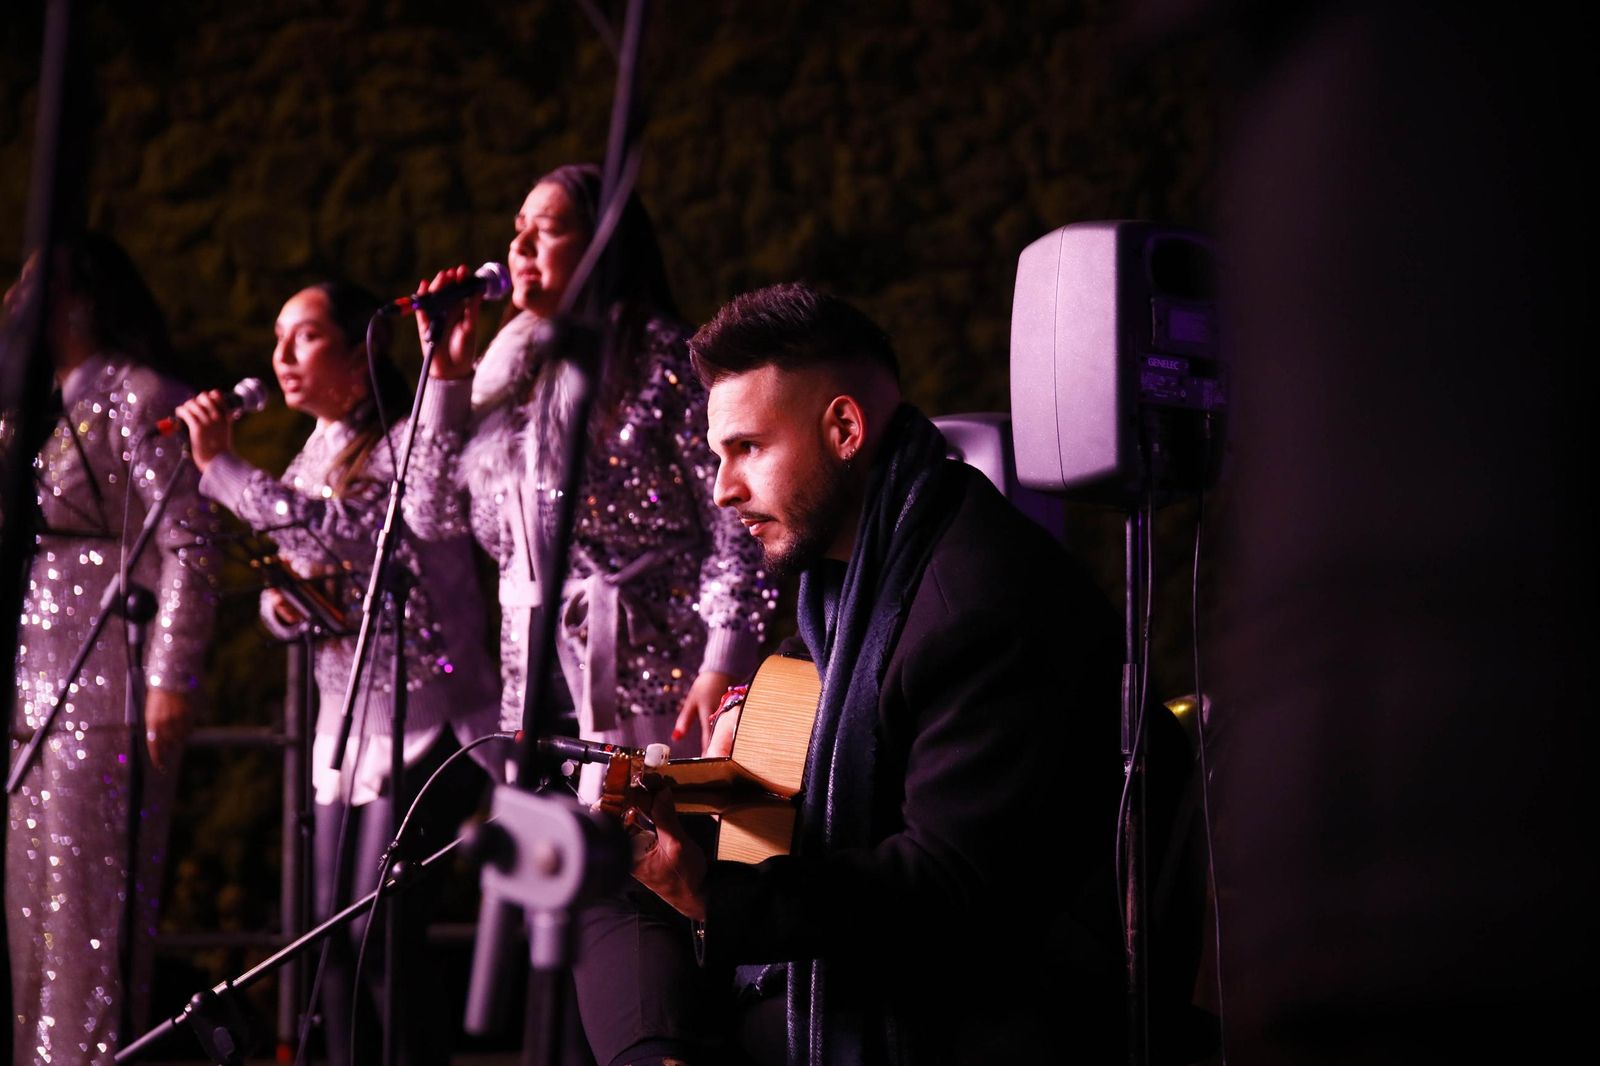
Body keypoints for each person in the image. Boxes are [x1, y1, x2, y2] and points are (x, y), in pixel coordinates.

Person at [629, 282, 1128, 1063]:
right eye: (716, 456)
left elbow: (944, 889)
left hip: (971, 1016)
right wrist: (719, 783)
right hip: (889, 978)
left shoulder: (978, 602)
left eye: (747, 448)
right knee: (606, 893)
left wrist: (710, 895)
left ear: (844, 428)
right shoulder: (856, 577)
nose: (723, 490)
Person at [408, 164, 774, 1064]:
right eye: (516, 227)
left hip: (660, 689)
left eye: (549, 228)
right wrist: (442, 379)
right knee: (568, 952)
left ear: (606, 241)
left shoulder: (665, 361)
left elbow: (736, 520)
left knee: (650, 927)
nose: (520, 245)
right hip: (541, 700)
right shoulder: (507, 366)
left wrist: (722, 653)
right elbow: (431, 519)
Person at [175, 281, 499, 1065]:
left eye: (305, 337)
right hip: (348, 728)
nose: (281, 356)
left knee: (379, 936)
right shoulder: (313, 448)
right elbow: (292, 576)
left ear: (362, 350)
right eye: (278, 338)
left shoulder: (403, 440)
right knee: (335, 941)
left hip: (428, 722)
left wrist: (220, 469)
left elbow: (346, 533)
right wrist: (286, 610)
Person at [3, 232, 220, 1065]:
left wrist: (171, 680)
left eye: (33, 283)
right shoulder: (36, 405)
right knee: (29, 925)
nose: (14, 300)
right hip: (32, 693)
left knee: (89, 934)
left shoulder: (138, 396)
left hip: (105, 696)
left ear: (82, 299)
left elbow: (192, 549)